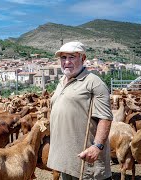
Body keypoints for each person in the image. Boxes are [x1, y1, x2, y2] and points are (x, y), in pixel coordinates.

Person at [47, 41, 113, 180]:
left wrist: (97, 146)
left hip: (86, 161)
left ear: (83, 58)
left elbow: (105, 118)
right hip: (65, 161)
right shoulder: (61, 82)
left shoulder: (94, 83)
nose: (66, 62)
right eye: (63, 58)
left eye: (72, 57)